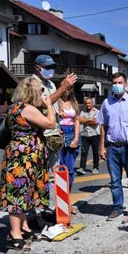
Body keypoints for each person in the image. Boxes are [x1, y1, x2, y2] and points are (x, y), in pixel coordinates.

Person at [0, 76, 56, 250]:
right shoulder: (27, 108)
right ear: (33, 91)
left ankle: (24, 228)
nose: (42, 93)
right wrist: (49, 106)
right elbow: (50, 123)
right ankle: (14, 234)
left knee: (25, 193)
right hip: (23, 158)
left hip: (22, 156)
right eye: (40, 90)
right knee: (18, 194)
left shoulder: (14, 107)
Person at [98, 73, 128, 220]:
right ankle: (117, 208)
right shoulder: (106, 103)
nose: (117, 85)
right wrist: (102, 147)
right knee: (115, 181)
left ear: (125, 84)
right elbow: (103, 126)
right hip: (112, 147)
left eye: (120, 82)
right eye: (114, 82)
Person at [33, 54, 77, 212]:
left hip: (54, 135)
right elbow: (44, 104)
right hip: (40, 136)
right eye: (48, 67)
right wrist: (63, 88)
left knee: (54, 174)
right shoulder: (33, 83)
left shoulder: (50, 83)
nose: (51, 70)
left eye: (53, 67)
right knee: (40, 174)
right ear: (38, 68)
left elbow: (53, 106)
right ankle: (40, 210)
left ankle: (54, 208)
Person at [57, 89, 80, 196]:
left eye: (69, 88)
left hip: (72, 132)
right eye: (64, 87)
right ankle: (61, 196)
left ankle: (67, 196)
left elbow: (77, 121)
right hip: (60, 133)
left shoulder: (74, 102)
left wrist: (76, 138)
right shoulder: (56, 102)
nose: (66, 90)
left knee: (70, 168)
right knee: (60, 167)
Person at [76, 97, 100, 175]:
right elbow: (80, 120)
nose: (88, 105)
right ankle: (82, 168)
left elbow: (95, 122)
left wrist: (85, 121)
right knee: (84, 152)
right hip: (85, 134)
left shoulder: (97, 112)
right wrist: (90, 120)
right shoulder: (82, 112)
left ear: (92, 103)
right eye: (86, 103)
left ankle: (95, 167)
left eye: (89, 103)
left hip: (95, 134)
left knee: (95, 152)